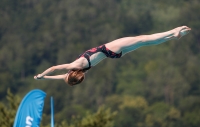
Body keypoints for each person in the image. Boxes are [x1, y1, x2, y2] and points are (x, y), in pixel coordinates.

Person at [34, 26, 191, 86]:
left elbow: (60, 77)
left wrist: (43, 78)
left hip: (115, 55)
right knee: (143, 38)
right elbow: (55, 68)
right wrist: (42, 74)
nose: (65, 75)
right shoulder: (74, 66)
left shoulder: (81, 70)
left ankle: (173, 36)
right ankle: (173, 31)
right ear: (71, 73)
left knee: (145, 43)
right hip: (109, 48)